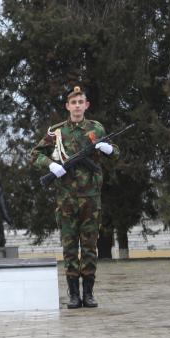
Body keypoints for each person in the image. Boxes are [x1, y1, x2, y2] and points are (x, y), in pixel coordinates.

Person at [31, 86, 119, 308]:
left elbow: (116, 153)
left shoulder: (96, 129)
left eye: (81, 102)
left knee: (89, 246)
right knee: (70, 248)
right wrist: (51, 165)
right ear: (67, 106)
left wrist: (108, 149)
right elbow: (35, 154)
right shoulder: (57, 132)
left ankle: (88, 294)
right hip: (67, 199)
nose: (77, 106)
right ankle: (73, 295)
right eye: (74, 102)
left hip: (91, 198)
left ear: (86, 105)